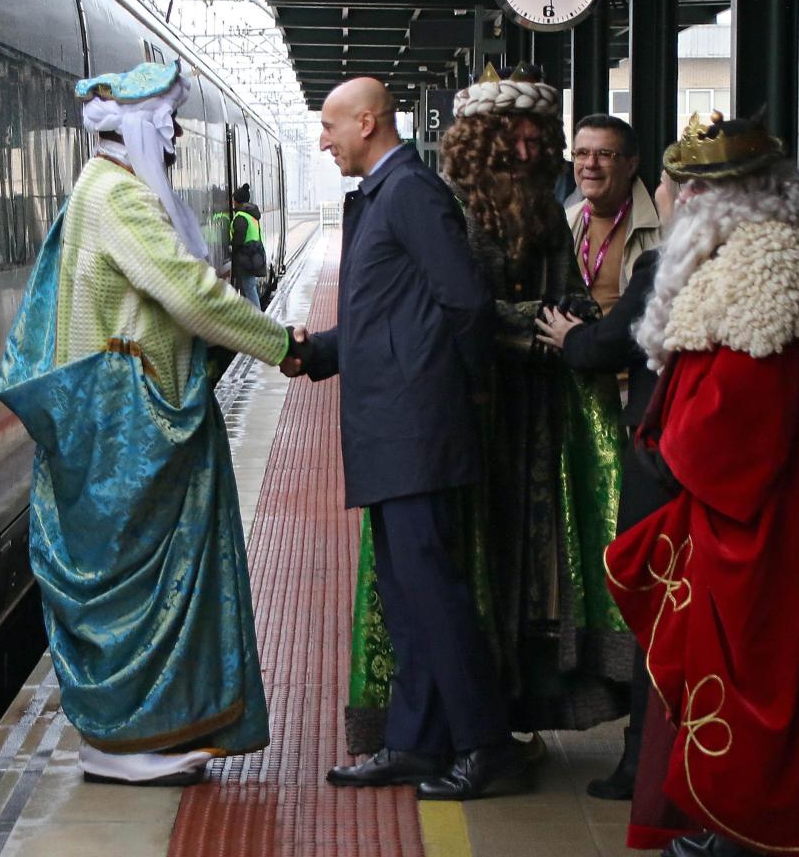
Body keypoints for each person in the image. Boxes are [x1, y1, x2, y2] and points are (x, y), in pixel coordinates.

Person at [606, 114, 799, 857]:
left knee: (753, 670)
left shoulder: (758, 281)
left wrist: (665, 439)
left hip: (753, 525)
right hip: (772, 512)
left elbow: (730, 428)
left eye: (687, 190)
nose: (675, 204)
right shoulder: (763, 262)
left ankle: (748, 824)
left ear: (727, 201)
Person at [0, 59, 301, 786]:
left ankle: (139, 733)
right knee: (139, 586)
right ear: (138, 128)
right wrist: (284, 345)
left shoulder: (93, 190)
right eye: (167, 125)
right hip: (130, 425)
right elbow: (189, 294)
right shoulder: (120, 199)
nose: (176, 137)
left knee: (130, 579)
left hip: (114, 420)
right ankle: (124, 740)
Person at [288, 76, 527, 801]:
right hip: (393, 431)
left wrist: (455, 394)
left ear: (368, 121)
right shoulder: (385, 197)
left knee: (433, 592)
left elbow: (465, 300)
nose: (323, 141)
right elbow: (382, 317)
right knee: (407, 594)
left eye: (330, 127)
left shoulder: (412, 193)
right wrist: (314, 352)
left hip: (415, 431)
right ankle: (417, 742)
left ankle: (486, 744)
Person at [438, 64, 629, 736]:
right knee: (479, 559)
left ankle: (521, 702)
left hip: (538, 419)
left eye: (536, 140)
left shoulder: (545, 210)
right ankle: (477, 707)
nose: (526, 153)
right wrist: (542, 327)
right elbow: (460, 307)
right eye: (513, 140)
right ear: (483, 141)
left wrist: (571, 316)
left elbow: (568, 289)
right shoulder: (452, 206)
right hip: (478, 412)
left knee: (535, 568)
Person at [537, 169, 677, 805]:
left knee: (655, 614)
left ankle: (646, 765)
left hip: (663, 469)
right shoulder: (778, 265)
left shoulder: (669, 263)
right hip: (742, 486)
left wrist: (573, 339)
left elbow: (614, 342)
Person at [565, 114, 662, 315]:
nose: (590, 164)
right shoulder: (563, 221)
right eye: (582, 153)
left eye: (604, 154)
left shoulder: (662, 227)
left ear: (631, 165)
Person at [229, 183, 265, 306]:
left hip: (246, 256)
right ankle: (252, 317)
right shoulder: (251, 215)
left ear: (237, 201)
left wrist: (232, 247)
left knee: (249, 289)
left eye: (234, 200)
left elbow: (239, 237)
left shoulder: (241, 217)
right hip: (254, 254)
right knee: (248, 288)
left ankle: (258, 319)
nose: (232, 202)